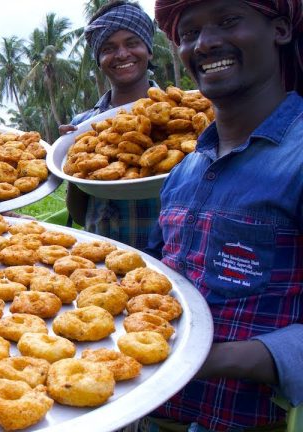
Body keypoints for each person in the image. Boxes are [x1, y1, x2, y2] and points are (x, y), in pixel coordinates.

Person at [142, 1, 303, 430]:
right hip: (154, 414)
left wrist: (207, 359)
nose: (206, 43)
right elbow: (159, 283)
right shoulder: (183, 172)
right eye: (189, 33)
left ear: (281, 30)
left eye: (228, 21)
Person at [59, 1, 160, 250]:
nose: (122, 54)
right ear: (99, 59)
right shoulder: (84, 127)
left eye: (132, 43)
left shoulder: (179, 118)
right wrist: (69, 157)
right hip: (104, 258)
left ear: (149, 50)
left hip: (170, 256)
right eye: (109, 48)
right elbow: (82, 215)